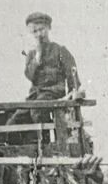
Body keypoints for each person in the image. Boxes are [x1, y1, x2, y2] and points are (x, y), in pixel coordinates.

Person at [10, 12, 83, 143]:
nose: (39, 34)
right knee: (14, 122)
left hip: (54, 93)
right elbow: (29, 75)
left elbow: (73, 77)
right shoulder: (32, 54)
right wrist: (37, 57)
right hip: (35, 96)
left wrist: (71, 95)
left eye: (42, 30)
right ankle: (27, 151)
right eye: (35, 31)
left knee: (37, 112)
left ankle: (46, 146)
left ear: (48, 28)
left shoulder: (60, 51)